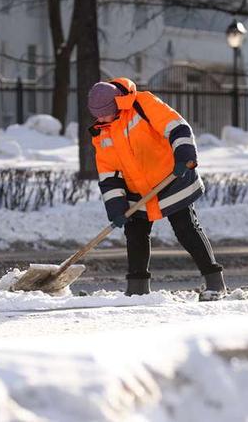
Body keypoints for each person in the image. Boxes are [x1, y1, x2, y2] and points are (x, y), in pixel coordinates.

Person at [87, 77, 227, 301]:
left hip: (170, 177)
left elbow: (176, 126)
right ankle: (137, 290)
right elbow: (109, 174)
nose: (100, 118)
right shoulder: (101, 132)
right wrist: (116, 207)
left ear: (116, 104)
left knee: (185, 228)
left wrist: (184, 154)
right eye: (96, 114)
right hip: (137, 190)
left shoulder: (143, 103)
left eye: (104, 113)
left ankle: (215, 282)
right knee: (135, 233)